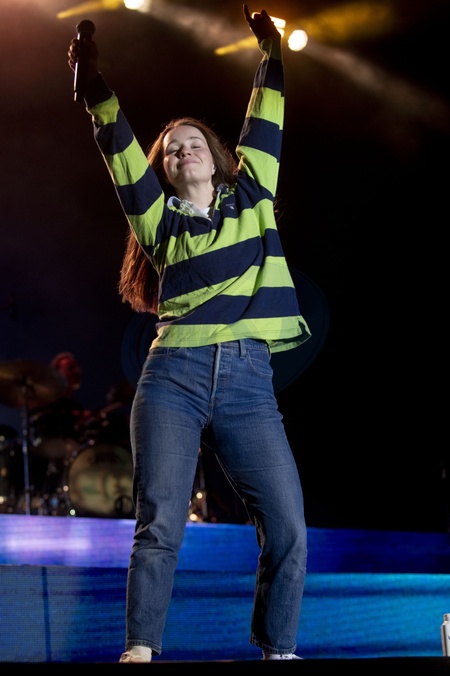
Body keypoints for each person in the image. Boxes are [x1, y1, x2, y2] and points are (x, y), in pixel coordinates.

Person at [68, 4, 311, 662]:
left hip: (247, 383)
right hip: (172, 378)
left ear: (217, 154)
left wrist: (271, 54)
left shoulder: (254, 194)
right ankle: (141, 649)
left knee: (288, 525)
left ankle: (279, 650)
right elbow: (119, 153)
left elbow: (267, 118)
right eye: (172, 148)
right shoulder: (158, 221)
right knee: (160, 525)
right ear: (167, 168)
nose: (182, 149)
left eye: (193, 141)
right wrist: (94, 87)